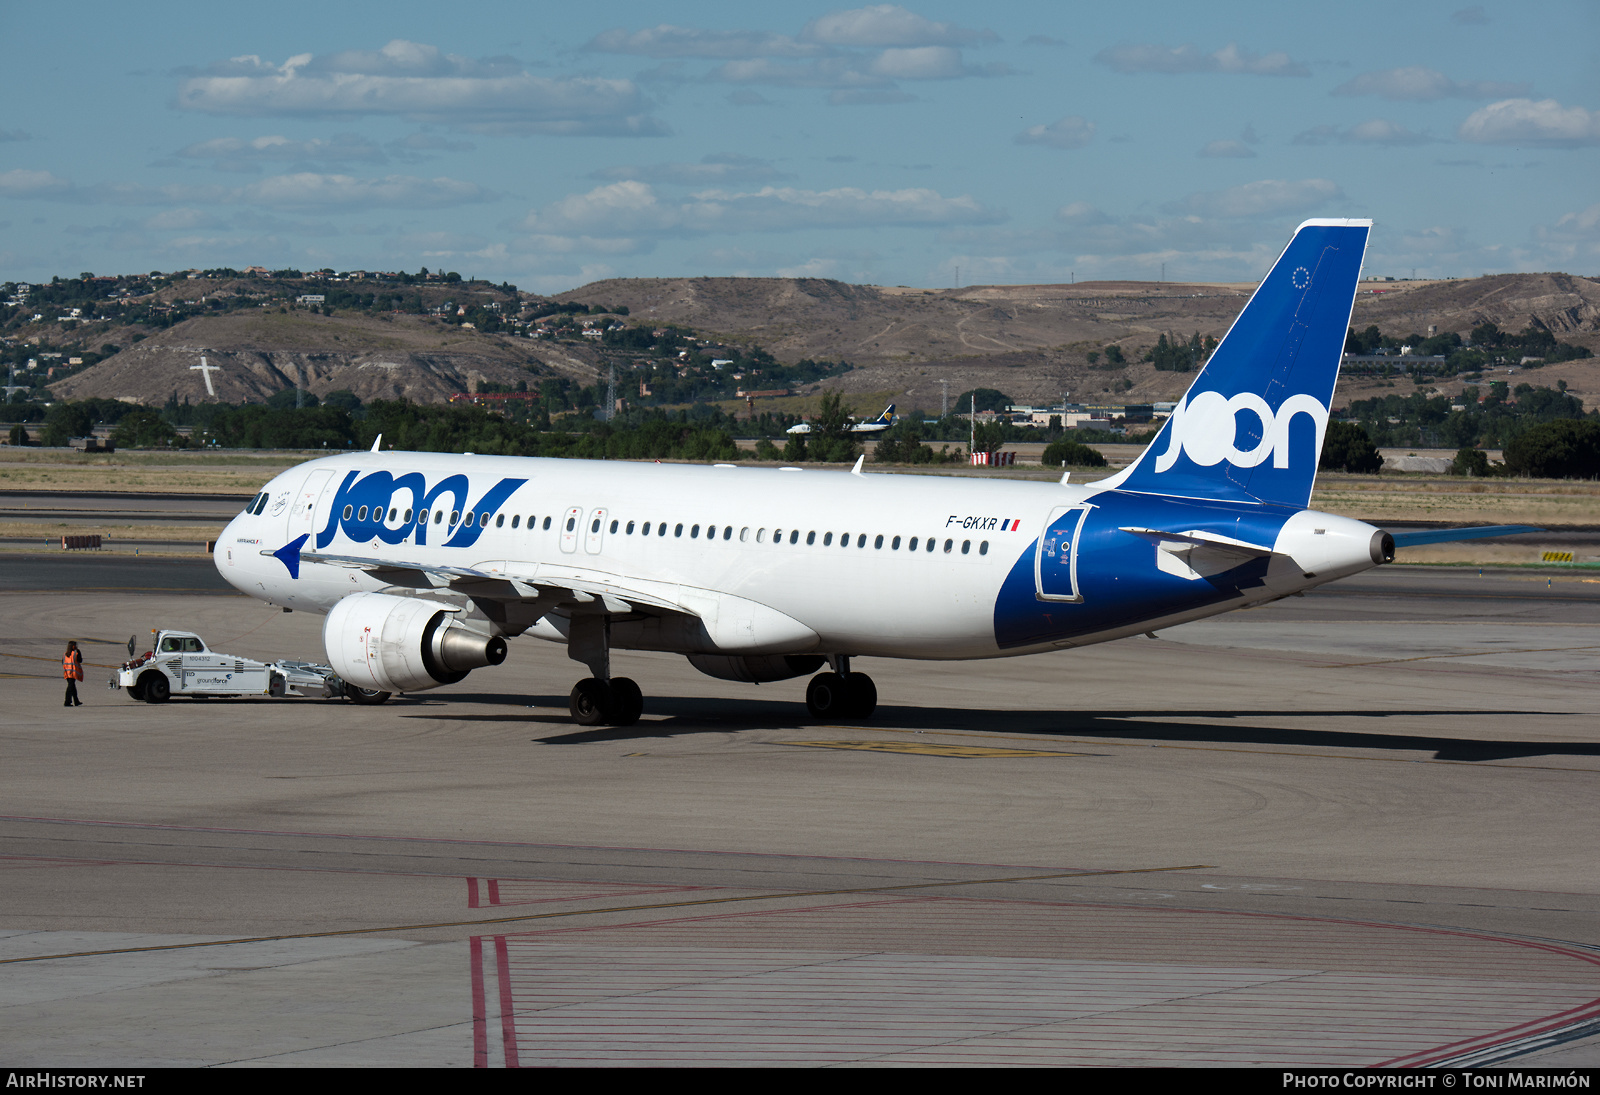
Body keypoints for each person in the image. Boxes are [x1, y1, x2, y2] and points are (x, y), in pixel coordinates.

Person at [63, 641, 84, 707]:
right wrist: (78, 652)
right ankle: (67, 702)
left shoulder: (65, 654)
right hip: (73, 673)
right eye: (75, 645)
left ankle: (76, 701)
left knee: (72, 687)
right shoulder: (76, 652)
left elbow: (63, 662)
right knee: (70, 687)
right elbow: (80, 660)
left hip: (67, 672)